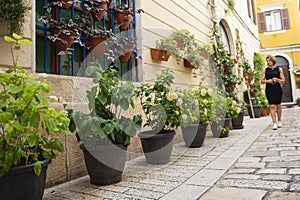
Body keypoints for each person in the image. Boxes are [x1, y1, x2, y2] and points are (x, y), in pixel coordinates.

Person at [261, 55, 285, 130]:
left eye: (269, 61)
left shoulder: (279, 69)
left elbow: (283, 80)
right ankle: (274, 123)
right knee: (272, 106)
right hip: (269, 89)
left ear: (273, 61)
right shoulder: (265, 70)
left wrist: (278, 80)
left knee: (278, 105)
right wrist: (268, 81)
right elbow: (262, 81)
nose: (268, 62)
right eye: (267, 61)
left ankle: (279, 120)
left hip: (277, 89)